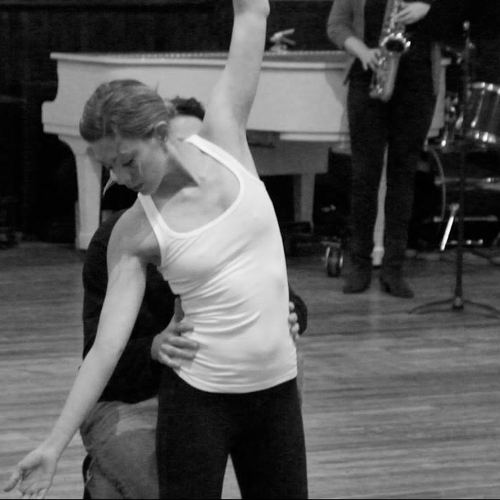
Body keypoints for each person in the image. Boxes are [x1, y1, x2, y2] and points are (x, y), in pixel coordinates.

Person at [4, 1, 308, 498]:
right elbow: (104, 349)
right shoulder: (133, 233)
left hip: (277, 390)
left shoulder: (225, 138)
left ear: (160, 133)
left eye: (128, 161)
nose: (121, 178)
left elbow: (252, 14)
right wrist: (53, 444)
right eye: (110, 167)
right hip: (200, 401)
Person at [81, 95, 308, 500]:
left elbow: (286, 297)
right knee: (151, 482)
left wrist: (289, 315)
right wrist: (154, 347)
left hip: (221, 390)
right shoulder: (119, 240)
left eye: (195, 146)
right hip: (134, 396)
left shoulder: (230, 209)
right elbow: (101, 358)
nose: (184, 158)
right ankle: (103, 478)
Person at [327, 0, 441, 298]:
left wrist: (428, 9)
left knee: (403, 179)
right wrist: (363, 51)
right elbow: (336, 25)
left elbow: (458, 18)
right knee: (364, 177)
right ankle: (360, 264)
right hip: (369, 79)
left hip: (417, 84)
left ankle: (393, 269)